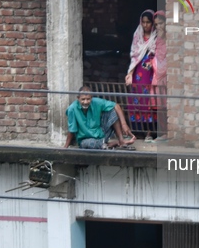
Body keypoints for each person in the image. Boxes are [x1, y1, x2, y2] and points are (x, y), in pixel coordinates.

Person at [64, 84, 136, 149]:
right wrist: (65, 147)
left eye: (88, 99)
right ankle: (111, 144)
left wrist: (124, 124)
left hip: (100, 134)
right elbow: (72, 130)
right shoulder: (72, 109)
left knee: (113, 111)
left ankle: (121, 141)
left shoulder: (96, 102)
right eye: (83, 99)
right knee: (86, 144)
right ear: (78, 98)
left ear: (91, 98)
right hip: (86, 139)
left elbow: (116, 106)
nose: (85, 102)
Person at [125, 9, 157, 140]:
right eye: (143, 22)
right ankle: (137, 130)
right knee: (137, 100)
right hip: (138, 72)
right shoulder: (137, 35)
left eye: (148, 22)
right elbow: (134, 55)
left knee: (149, 100)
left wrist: (152, 63)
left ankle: (150, 132)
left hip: (151, 73)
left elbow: (159, 55)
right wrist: (130, 73)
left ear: (152, 23)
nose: (145, 25)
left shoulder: (156, 37)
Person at [151, 10, 167, 141]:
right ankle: (163, 132)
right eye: (156, 24)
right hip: (157, 75)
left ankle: (169, 131)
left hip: (167, 76)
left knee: (167, 104)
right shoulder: (156, 39)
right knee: (160, 106)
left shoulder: (171, 38)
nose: (158, 27)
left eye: (161, 23)